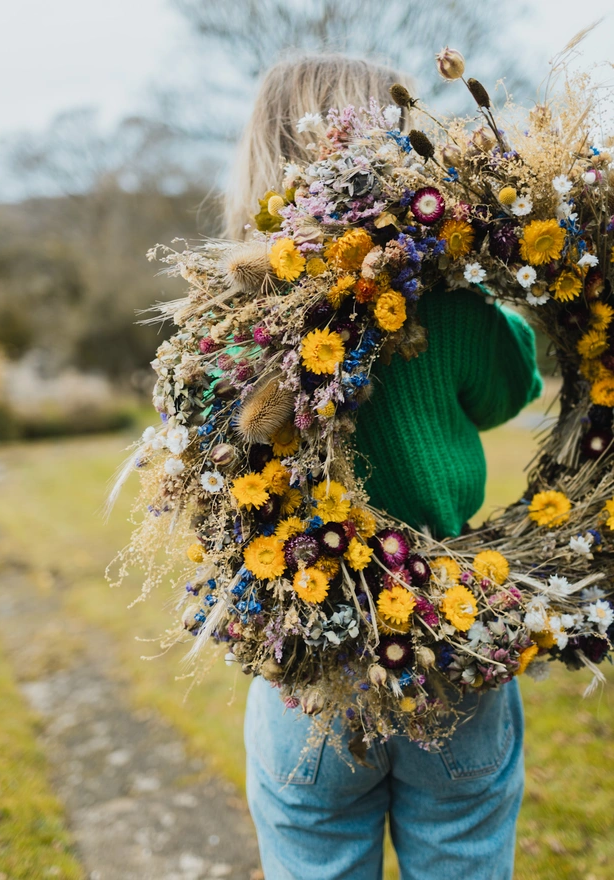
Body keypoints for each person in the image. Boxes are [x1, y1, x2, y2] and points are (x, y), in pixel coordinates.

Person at [226, 54, 543, 880]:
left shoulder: (238, 316)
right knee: (464, 853)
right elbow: (511, 391)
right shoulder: (445, 303)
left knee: (314, 856)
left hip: (312, 645)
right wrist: (482, 293)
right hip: (451, 633)